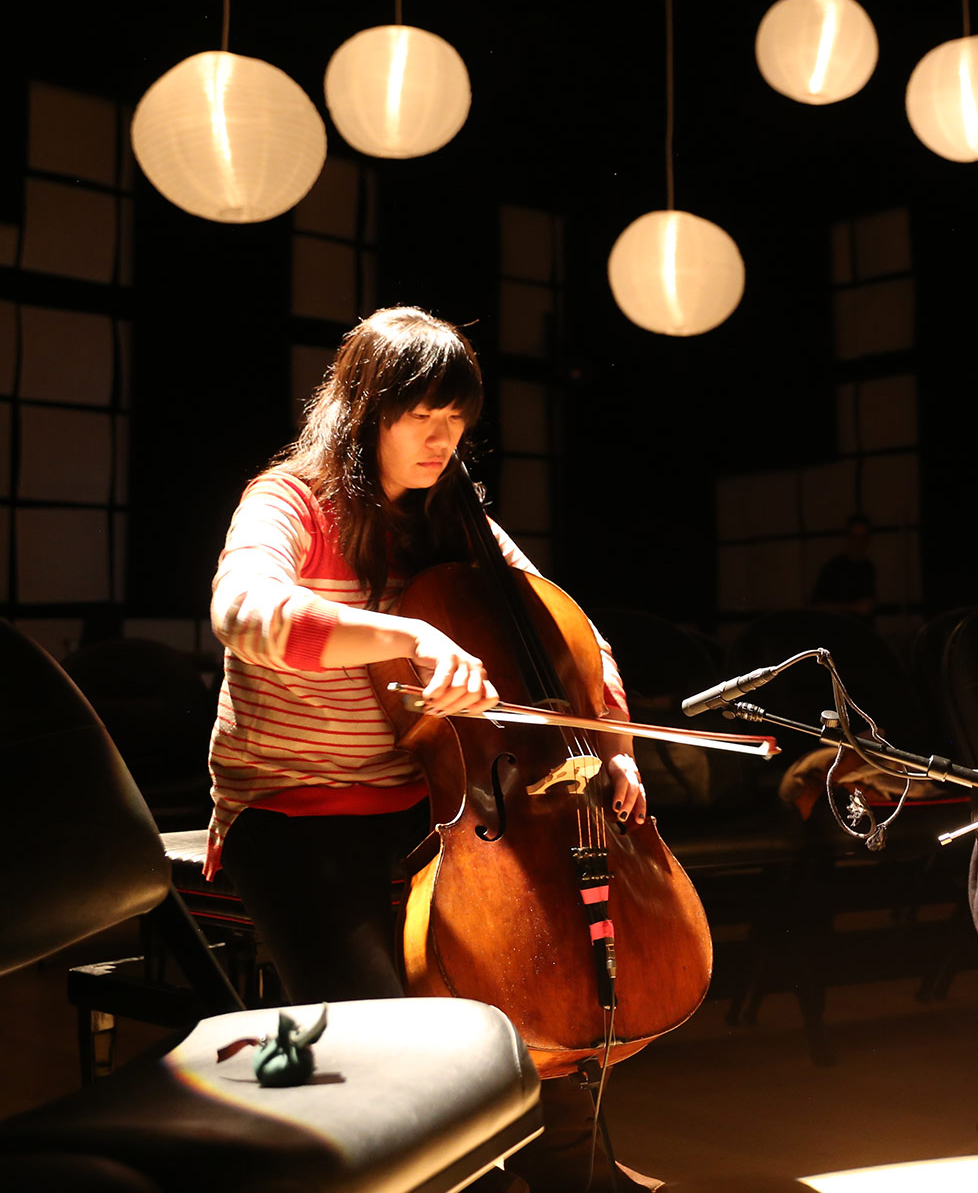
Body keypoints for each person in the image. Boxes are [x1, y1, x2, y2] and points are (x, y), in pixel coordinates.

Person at [206, 305, 655, 1192]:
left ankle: (578, 1170)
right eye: (423, 419)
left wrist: (616, 743)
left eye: (457, 425)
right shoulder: (290, 499)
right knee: (395, 1060)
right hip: (297, 813)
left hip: (433, 815)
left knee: (535, 1008)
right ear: (365, 408)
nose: (443, 442)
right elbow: (242, 611)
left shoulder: (452, 515)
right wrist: (402, 632)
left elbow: (569, 632)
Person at [811, 512, 878, 620]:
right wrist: (854, 607)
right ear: (848, 537)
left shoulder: (868, 568)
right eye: (855, 536)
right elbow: (817, 606)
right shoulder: (833, 568)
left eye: (863, 537)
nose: (859, 542)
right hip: (839, 631)